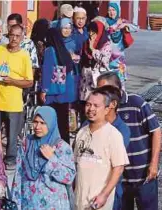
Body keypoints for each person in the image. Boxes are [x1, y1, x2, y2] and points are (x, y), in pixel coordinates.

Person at [97, 72, 161, 210]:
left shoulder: (137, 103)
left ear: (118, 88)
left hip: (144, 176)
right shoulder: (102, 110)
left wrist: (154, 163)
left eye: (105, 90)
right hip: (120, 179)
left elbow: (156, 131)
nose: (101, 94)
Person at [73, 89, 129, 210]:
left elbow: (118, 168)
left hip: (98, 202)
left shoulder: (113, 135)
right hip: (79, 201)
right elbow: (76, 164)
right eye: (88, 104)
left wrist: (104, 195)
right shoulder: (82, 132)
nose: (91, 109)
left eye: (96, 106)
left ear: (106, 109)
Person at [11, 106, 76, 210]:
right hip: (28, 203)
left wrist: (51, 159)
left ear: (51, 124)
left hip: (54, 204)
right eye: (35, 122)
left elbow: (69, 177)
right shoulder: (26, 143)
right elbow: (18, 175)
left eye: (43, 123)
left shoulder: (61, 147)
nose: (37, 126)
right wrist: (15, 203)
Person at [0, 24, 33, 169]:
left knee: (12, 136)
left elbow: (29, 82)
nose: (14, 39)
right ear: (7, 35)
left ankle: (10, 161)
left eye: (17, 36)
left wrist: (12, 81)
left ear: (22, 37)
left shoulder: (24, 55)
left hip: (13, 103)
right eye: (12, 35)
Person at [40, 20, 81, 143]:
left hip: (52, 93)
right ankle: (65, 145)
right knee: (63, 122)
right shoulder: (63, 51)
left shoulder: (49, 51)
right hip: (64, 92)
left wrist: (43, 90)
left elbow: (47, 72)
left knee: (50, 120)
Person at [80, 20, 112, 102]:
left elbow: (104, 60)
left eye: (94, 32)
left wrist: (93, 49)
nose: (91, 34)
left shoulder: (106, 44)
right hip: (86, 80)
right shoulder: (86, 42)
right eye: (90, 31)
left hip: (98, 79)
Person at [105, 2, 135, 89]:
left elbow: (136, 28)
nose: (111, 12)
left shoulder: (122, 21)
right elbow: (108, 31)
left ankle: (121, 99)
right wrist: (116, 25)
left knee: (120, 82)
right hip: (108, 58)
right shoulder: (105, 22)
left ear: (117, 11)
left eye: (113, 10)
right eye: (109, 10)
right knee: (109, 82)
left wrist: (125, 25)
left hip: (120, 59)